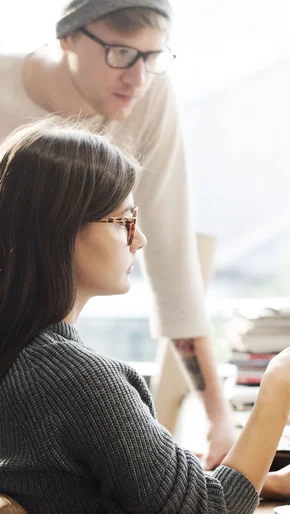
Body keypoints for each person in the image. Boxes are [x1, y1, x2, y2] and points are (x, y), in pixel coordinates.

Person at [0, 118, 290, 513]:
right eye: (124, 222)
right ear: (61, 231)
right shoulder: (80, 381)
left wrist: (266, 483)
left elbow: (98, 488)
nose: (140, 239)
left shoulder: (21, 357)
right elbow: (208, 510)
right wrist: (280, 387)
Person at [0, 0, 235, 468]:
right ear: (67, 37)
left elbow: (170, 255)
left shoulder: (149, 94)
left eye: (153, 57)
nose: (138, 78)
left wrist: (218, 418)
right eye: (121, 53)